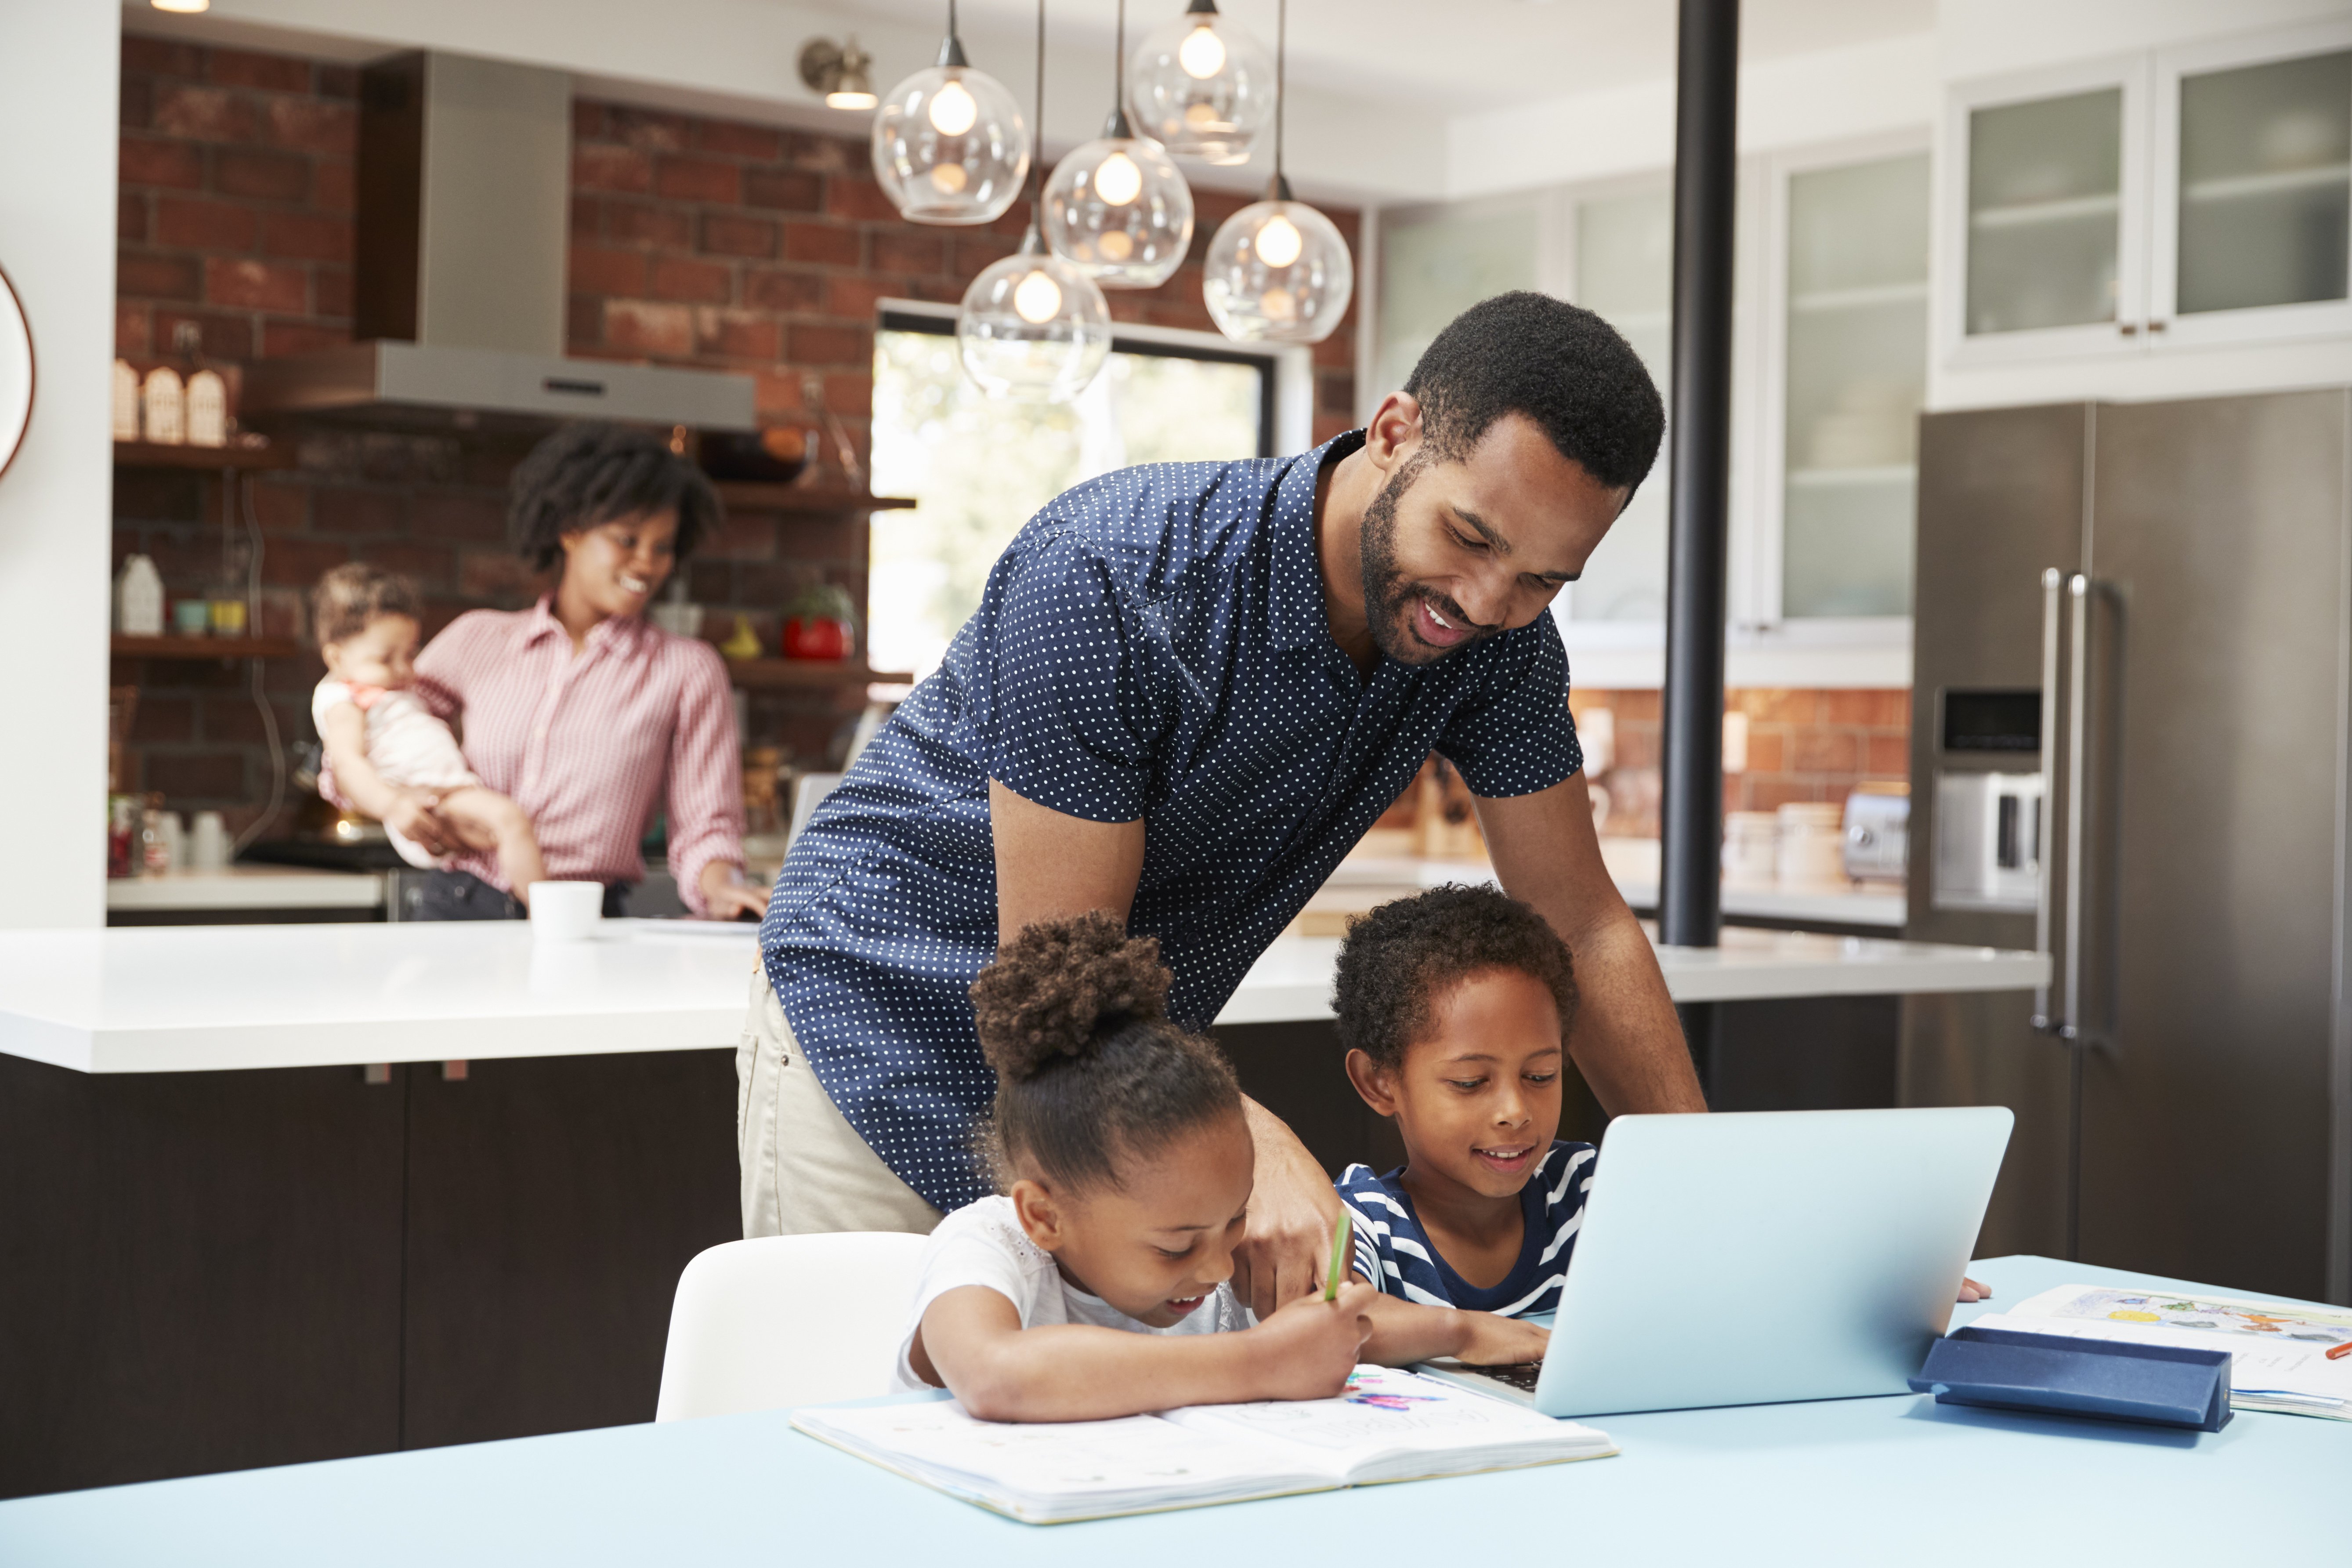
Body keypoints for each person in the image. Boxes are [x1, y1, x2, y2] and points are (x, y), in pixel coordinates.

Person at [750, 292, 1708, 1312]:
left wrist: (1707, 1180)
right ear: (1393, 434)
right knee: (862, 1431)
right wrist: (1252, 1138)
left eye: (1539, 580)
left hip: (1116, 1091)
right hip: (882, 1022)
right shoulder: (1114, 571)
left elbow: (1578, 918)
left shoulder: (1498, 647)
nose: (1481, 602)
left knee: (1085, 1454)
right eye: (1466, 536)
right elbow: (1061, 963)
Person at [897, 914, 1477, 1422]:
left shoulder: (1207, 1252)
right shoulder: (989, 1247)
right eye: (1175, 1247)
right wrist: (1262, 1362)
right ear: (1043, 1214)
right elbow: (996, 1375)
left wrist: (1466, 1332)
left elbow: (1333, 1324)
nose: (1220, 1264)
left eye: (1235, 1221)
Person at [322, 424, 766, 922]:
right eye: (628, 539)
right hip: (459, 906)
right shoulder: (478, 640)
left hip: (584, 920)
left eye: (663, 547)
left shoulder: (687, 670)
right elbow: (367, 726)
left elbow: (707, 825)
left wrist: (725, 888)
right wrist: (397, 802)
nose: (647, 562)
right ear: (570, 529)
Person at [1332, 884, 1591, 1337]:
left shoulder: (1585, 1190)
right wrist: (1465, 1333)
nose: (1514, 1111)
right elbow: (1326, 1322)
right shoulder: (1363, 1221)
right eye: (1469, 1083)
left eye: (1540, 1075)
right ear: (1378, 1081)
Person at [309, 563, 546, 898]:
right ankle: (550, 919)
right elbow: (348, 763)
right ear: (336, 657)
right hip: (425, 800)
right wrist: (393, 806)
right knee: (511, 820)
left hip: (444, 793)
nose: (405, 669)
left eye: (409, 653)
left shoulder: (387, 690)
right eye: (386, 658)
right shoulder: (343, 699)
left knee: (508, 836)